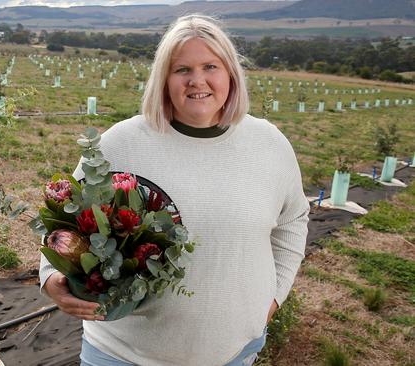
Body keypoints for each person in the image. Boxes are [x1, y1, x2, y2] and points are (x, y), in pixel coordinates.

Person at [39, 14, 309, 366]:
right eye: (182, 69)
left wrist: (274, 297)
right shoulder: (120, 144)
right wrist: (51, 278)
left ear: (231, 73)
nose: (198, 81)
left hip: (235, 354)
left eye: (210, 66)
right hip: (123, 355)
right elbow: (63, 225)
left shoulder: (270, 144)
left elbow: (294, 220)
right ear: (163, 79)